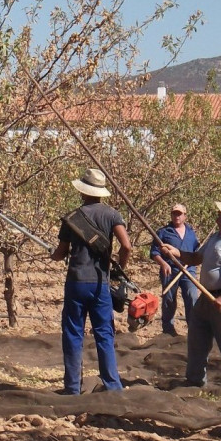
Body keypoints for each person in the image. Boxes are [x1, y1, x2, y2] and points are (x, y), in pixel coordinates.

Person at [50, 168, 132, 395]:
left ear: (83, 191)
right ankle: (113, 387)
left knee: (73, 333)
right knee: (104, 334)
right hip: (100, 282)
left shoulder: (72, 218)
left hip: (76, 281)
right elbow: (126, 246)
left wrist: (52, 254)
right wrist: (119, 269)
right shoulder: (113, 215)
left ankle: (72, 388)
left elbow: (60, 252)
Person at [162, 199, 221, 387]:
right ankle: (194, 382)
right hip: (205, 297)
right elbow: (195, 258)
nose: (218, 215)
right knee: (197, 336)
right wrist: (176, 252)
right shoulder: (216, 237)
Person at [149, 203, 200, 336]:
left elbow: (197, 253)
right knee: (169, 300)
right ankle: (168, 330)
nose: (176, 216)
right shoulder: (163, 232)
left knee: (191, 296)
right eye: (174, 213)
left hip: (189, 271)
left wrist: (194, 260)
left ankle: (194, 329)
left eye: (179, 214)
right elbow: (154, 253)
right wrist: (163, 264)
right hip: (170, 271)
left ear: (185, 216)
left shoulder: (191, 233)